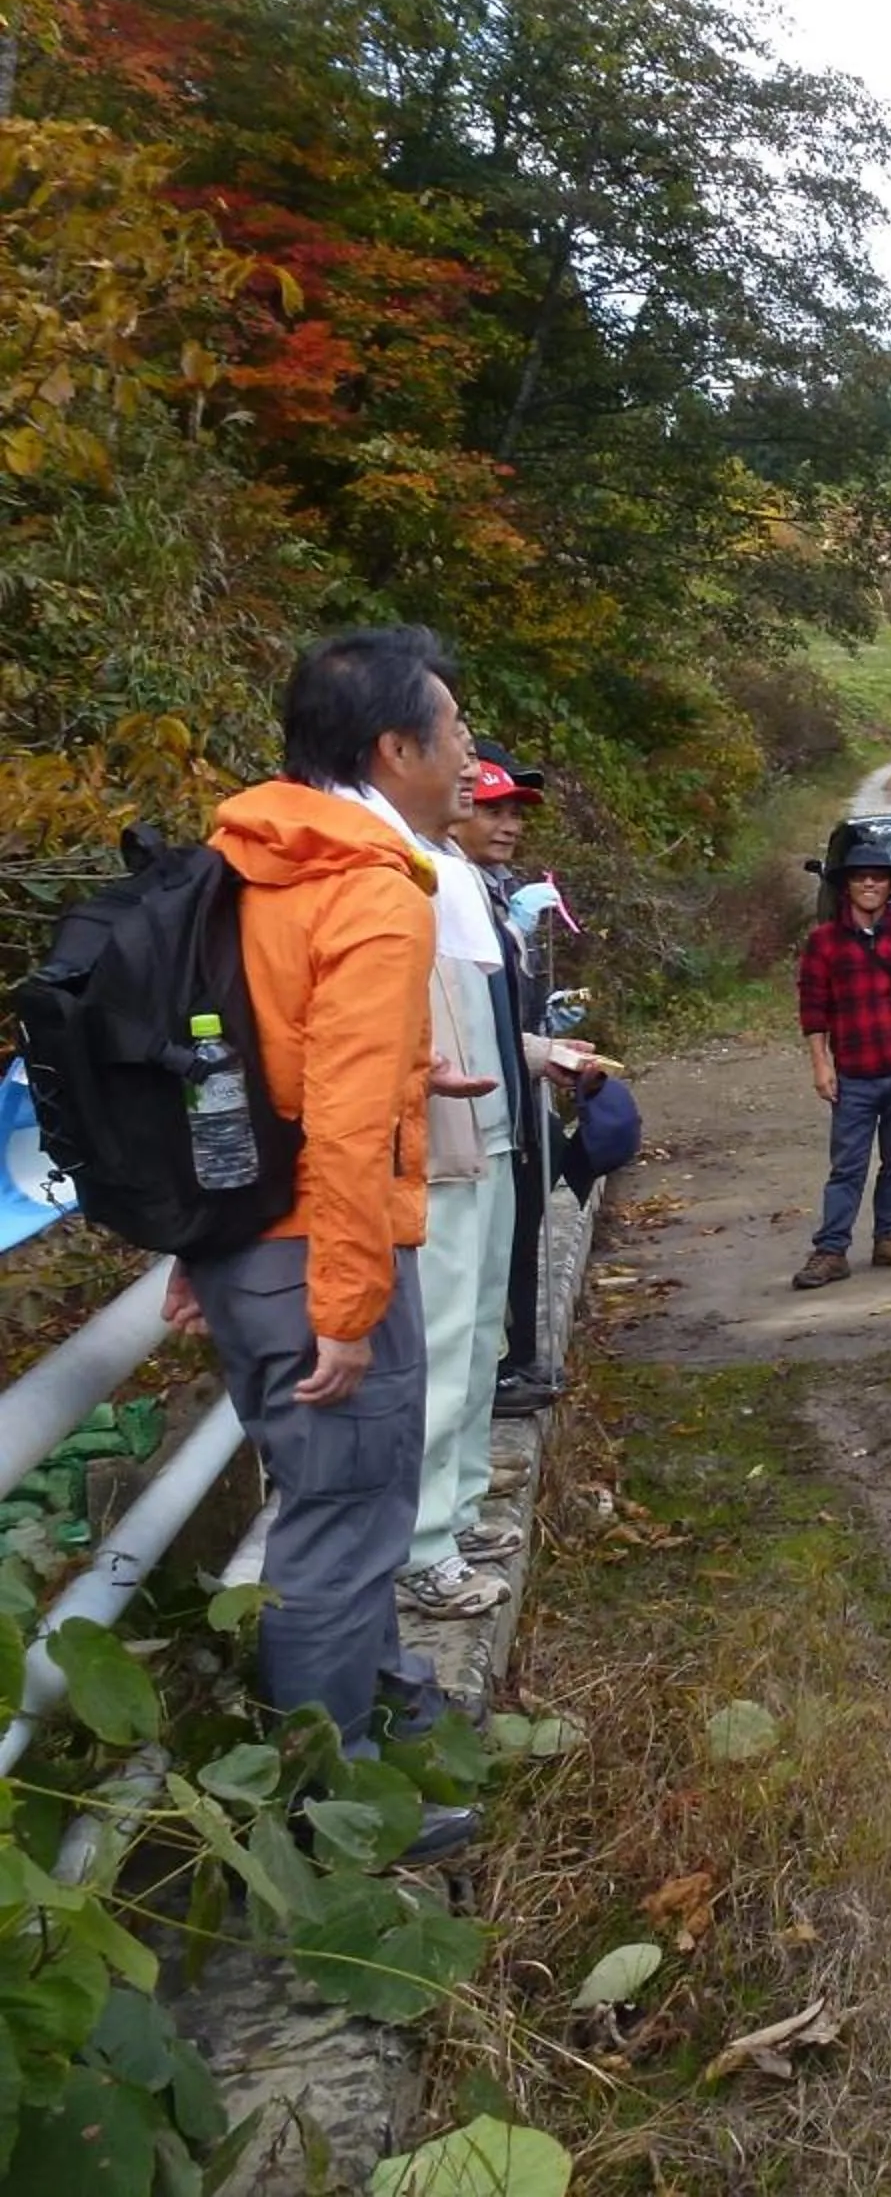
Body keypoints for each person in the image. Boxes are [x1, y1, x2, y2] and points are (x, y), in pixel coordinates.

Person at [163, 626, 474, 1856]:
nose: (463, 758)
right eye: (450, 735)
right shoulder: (366, 890)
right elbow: (339, 1123)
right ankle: (331, 1820)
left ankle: (378, 1714)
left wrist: (200, 1247)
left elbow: (231, 1068)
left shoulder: (246, 864)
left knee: (325, 1505)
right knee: (343, 1526)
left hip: (245, 1243)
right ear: (394, 749)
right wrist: (347, 1307)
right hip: (320, 1254)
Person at [392, 750, 525, 1622]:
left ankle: (463, 1506)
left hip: (493, 1134)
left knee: (479, 1335)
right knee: (439, 1346)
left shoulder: (458, 877)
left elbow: (485, 1014)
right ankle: (421, 1546)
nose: (474, 784)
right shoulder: (392, 872)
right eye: (455, 743)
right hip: (438, 1147)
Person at [450, 737, 560, 1419]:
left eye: (516, 810)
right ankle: (499, 1372)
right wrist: (532, 1053)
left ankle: (513, 1363)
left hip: (508, 1116)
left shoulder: (491, 892)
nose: (509, 823)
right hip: (467, 1128)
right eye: (493, 807)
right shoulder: (439, 890)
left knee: (514, 1248)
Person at [792, 850, 891, 1289]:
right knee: (847, 1167)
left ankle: (890, 1237)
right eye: (860, 878)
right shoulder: (824, 943)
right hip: (854, 1077)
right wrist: (820, 1065)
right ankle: (831, 1250)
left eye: (878, 879)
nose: (869, 885)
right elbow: (813, 1009)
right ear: (846, 886)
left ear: (890, 887)